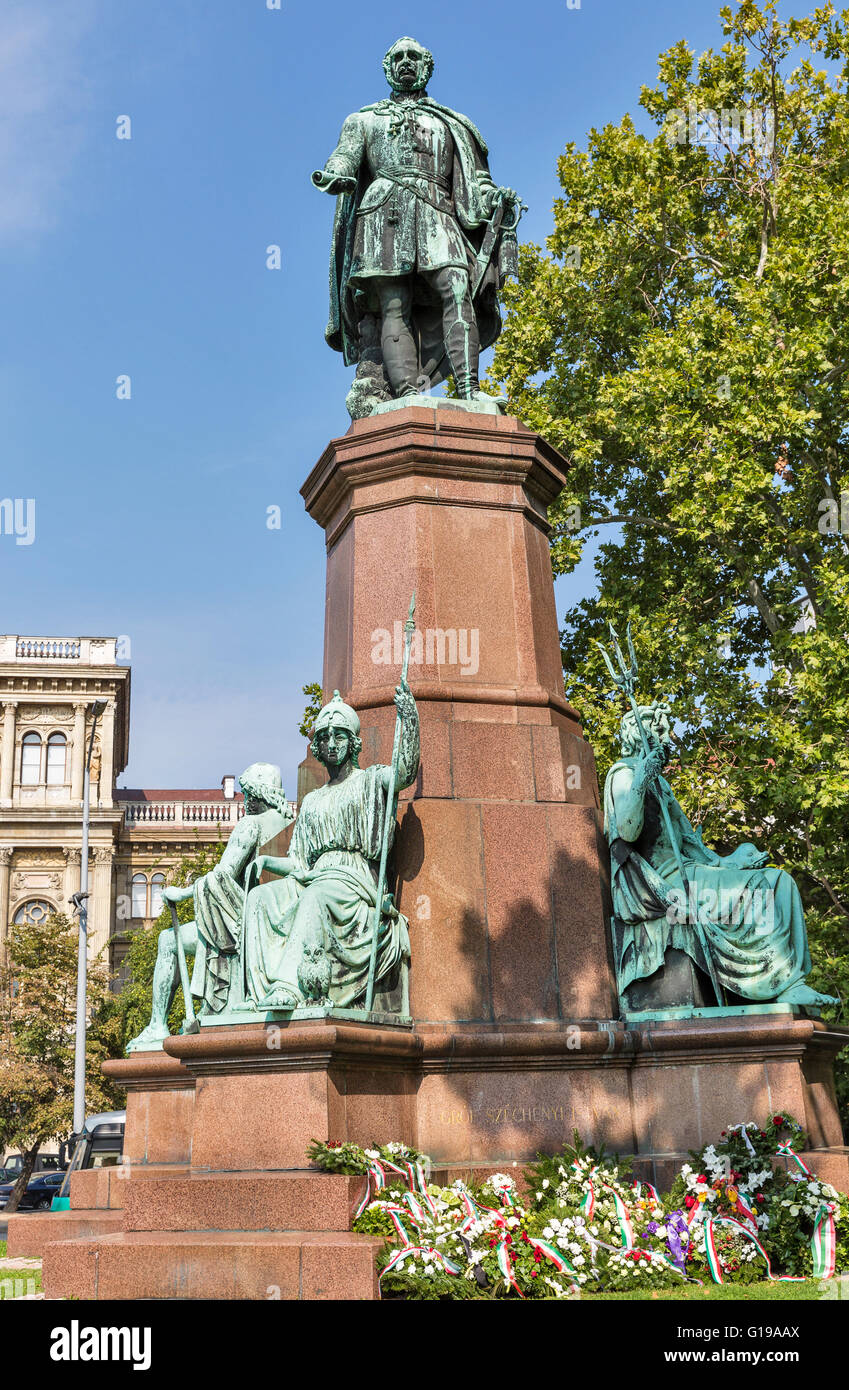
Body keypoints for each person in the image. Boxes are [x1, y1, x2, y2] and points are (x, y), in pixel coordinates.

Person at [313, 37, 520, 407]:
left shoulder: (453, 123)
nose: (406, 62)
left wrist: (494, 199)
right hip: (383, 211)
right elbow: (343, 157)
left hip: (438, 210)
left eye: (414, 57)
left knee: (457, 288)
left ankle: (470, 389)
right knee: (393, 303)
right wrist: (334, 175)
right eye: (398, 57)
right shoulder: (362, 119)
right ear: (387, 67)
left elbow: (476, 182)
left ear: (427, 67)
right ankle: (406, 394)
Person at [604, 701, 836, 1010]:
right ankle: (781, 985)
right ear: (637, 732)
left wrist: (731, 862)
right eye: (658, 730)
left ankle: (791, 983)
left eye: (666, 731)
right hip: (663, 881)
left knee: (780, 882)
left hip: (691, 868)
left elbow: (689, 841)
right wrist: (642, 776)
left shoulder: (661, 782)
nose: (666, 738)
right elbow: (628, 830)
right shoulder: (623, 773)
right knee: (757, 891)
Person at [243, 686, 417, 1012]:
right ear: (318, 748)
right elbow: (298, 864)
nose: (332, 744)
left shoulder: (370, 780)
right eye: (324, 739)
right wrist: (266, 860)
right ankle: (254, 998)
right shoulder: (311, 801)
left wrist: (409, 720)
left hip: (353, 881)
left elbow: (404, 774)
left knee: (315, 896)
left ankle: (289, 988)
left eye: (339, 737)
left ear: (353, 743)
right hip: (316, 878)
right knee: (259, 899)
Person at [126, 763, 293, 1051]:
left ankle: (157, 1026)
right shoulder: (289, 822)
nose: (245, 801)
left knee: (168, 940)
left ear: (256, 794)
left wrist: (183, 893)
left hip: (241, 919)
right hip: (277, 917)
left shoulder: (250, 824)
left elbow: (223, 874)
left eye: (247, 794)